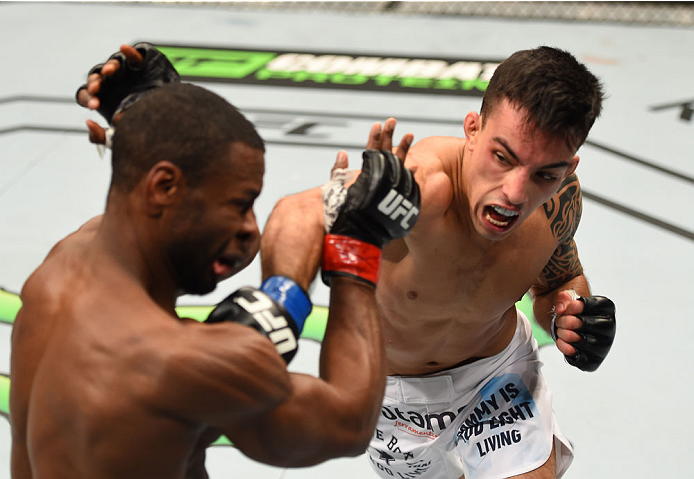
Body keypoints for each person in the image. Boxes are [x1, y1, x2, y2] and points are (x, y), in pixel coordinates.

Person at [74, 44, 617, 479]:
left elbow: (559, 279)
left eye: (544, 173)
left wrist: (569, 317)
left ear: (569, 168)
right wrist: (282, 297)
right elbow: (296, 212)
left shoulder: (559, 205)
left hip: (498, 378)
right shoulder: (422, 188)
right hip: (394, 396)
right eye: (503, 157)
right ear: (472, 131)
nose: (515, 193)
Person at [10, 77, 421, 477]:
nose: (249, 229)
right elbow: (347, 423)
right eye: (240, 204)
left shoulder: (60, 268)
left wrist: (148, 120)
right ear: (164, 186)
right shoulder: (181, 362)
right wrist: (358, 242)